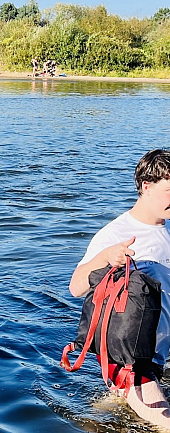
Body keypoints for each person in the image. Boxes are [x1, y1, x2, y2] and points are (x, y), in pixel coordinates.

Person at [69, 149, 170, 429]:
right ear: (146, 187)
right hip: (132, 361)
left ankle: (91, 420)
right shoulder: (115, 235)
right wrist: (106, 258)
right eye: (169, 190)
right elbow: (76, 287)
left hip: (161, 353)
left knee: (111, 412)